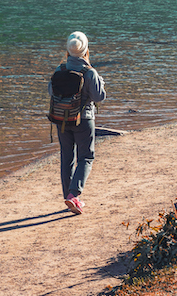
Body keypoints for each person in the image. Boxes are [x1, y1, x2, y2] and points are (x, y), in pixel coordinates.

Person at [51, 31, 106, 215]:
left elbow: (51, 92)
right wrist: (101, 83)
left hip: (61, 119)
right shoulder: (89, 72)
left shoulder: (60, 70)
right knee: (86, 157)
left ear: (67, 50)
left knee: (67, 157)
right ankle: (74, 195)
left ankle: (68, 195)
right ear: (86, 50)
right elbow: (99, 97)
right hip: (84, 119)